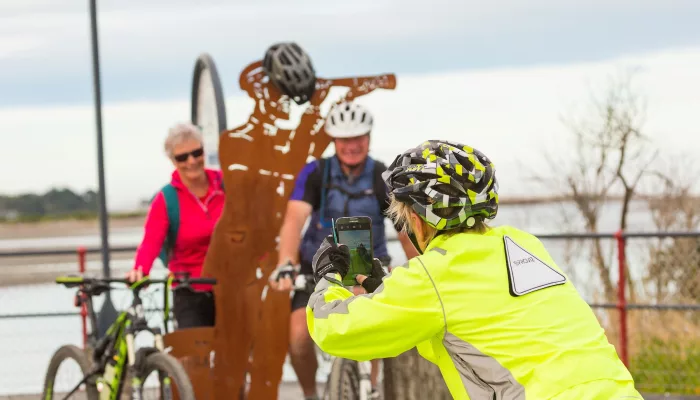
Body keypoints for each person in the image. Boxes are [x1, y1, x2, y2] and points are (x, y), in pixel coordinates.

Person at [306, 140, 643, 400]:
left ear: (420, 220)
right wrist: (391, 289)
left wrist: (328, 277)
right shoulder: (523, 244)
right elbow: (470, 319)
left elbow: (338, 330)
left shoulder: (432, 275)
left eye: (404, 215)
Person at [268, 101, 419, 400]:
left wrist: (423, 268)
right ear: (334, 140)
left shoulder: (382, 176)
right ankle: (311, 393)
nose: (352, 145)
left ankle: (369, 387)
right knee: (298, 337)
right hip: (319, 267)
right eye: (344, 139)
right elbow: (293, 221)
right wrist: (286, 262)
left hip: (369, 265)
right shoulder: (315, 173)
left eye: (358, 138)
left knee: (368, 325)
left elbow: (405, 231)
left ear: (368, 138)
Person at [126, 122, 224, 329]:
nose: (192, 161)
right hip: (189, 288)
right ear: (172, 160)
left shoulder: (227, 185)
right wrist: (140, 270)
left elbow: (252, 226)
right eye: (182, 157)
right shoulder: (167, 199)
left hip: (232, 284)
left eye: (197, 153)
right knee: (194, 356)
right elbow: (151, 240)